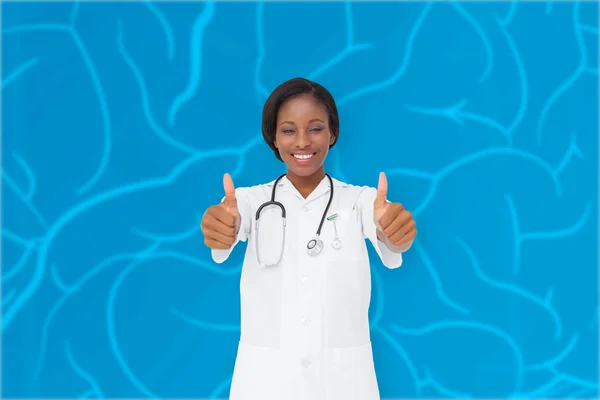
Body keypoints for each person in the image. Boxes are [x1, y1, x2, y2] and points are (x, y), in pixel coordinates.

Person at [200, 77, 417, 400]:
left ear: (333, 134)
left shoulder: (359, 201)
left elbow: (388, 231)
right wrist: (219, 226)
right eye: (288, 130)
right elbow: (225, 225)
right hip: (266, 382)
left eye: (315, 128)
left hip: (342, 382)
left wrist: (395, 231)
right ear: (273, 138)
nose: (302, 141)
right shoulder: (250, 202)